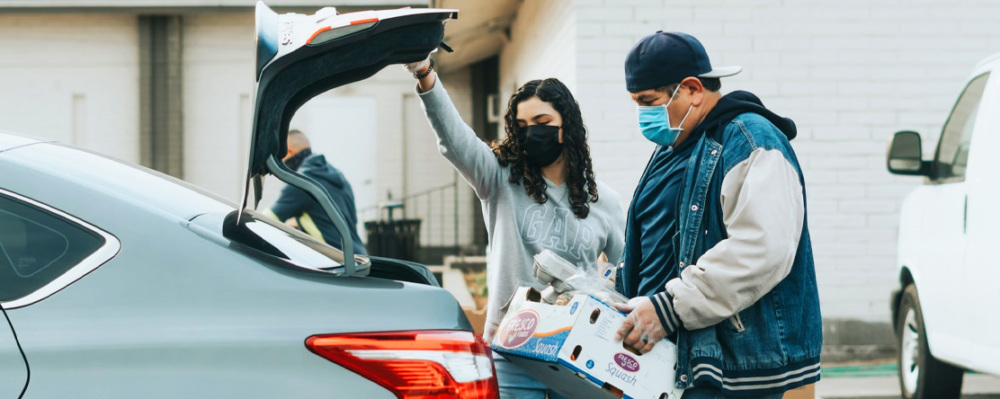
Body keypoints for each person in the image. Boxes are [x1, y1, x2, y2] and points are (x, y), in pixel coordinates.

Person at [612, 32, 822, 398]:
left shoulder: (752, 140)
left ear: (692, 89)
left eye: (649, 102)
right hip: (673, 366)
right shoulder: (672, 146)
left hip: (732, 372)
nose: (643, 116)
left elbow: (763, 249)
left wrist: (668, 308)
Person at [405, 58, 626, 399]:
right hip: (512, 349)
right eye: (522, 125)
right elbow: (454, 140)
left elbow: (626, 275)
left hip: (578, 355)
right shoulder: (498, 178)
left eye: (541, 122)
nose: (531, 132)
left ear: (566, 125)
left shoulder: (605, 200)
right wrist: (424, 72)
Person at [265, 129, 367, 255]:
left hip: (337, 264)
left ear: (290, 151)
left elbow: (265, 221)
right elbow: (326, 216)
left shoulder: (301, 183)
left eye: (280, 157)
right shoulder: (335, 175)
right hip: (359, 257)